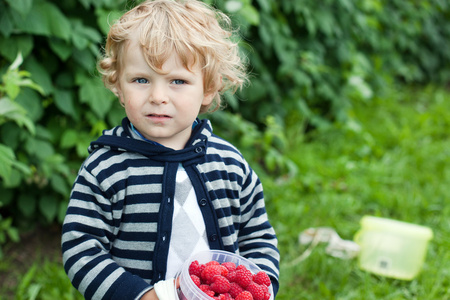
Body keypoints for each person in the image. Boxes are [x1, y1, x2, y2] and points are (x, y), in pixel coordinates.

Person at [61, 0, 280, 299]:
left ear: (209, 88)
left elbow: (257, 237)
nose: (158, 96)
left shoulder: (230, 165)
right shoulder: (106, 168)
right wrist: (139, 295)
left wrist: (259, 287)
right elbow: (81, 247)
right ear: (118, 86)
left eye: (178, 81)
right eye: (141, 80)